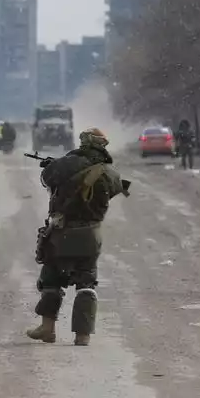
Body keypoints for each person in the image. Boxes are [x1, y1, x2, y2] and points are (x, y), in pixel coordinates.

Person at [25, 128, 127, 347]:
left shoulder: (66, 163)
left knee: (51, 279)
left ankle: (47, 328)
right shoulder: (108, 172)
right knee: (86, 282)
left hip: (62, 232)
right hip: (92, 234)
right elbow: (117, 188)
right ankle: (83, 335)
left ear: (84, 142)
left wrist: (52, 166)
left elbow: (47, 178)